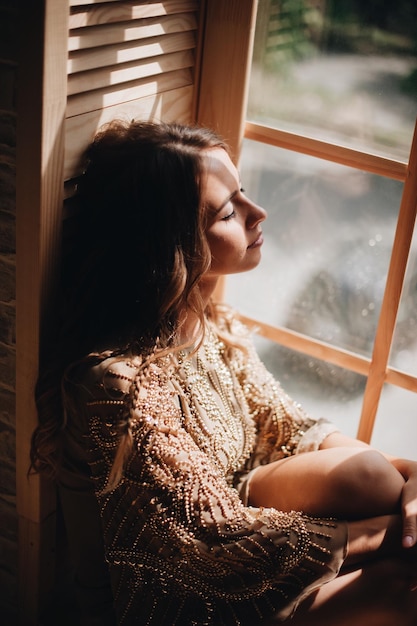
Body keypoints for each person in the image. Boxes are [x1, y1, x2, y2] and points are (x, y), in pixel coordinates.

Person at [30, 119, 417, 626]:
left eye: (243, 194)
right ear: (167, 242)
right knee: (398, 587)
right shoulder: (117, 386)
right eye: (230, 211)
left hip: (236, 523)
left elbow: (287, 428)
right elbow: (213, 553)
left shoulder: (205, 320)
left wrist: (409, 473)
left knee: (367, 474)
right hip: (168, 594)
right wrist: (393, 534)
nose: (259, 214)